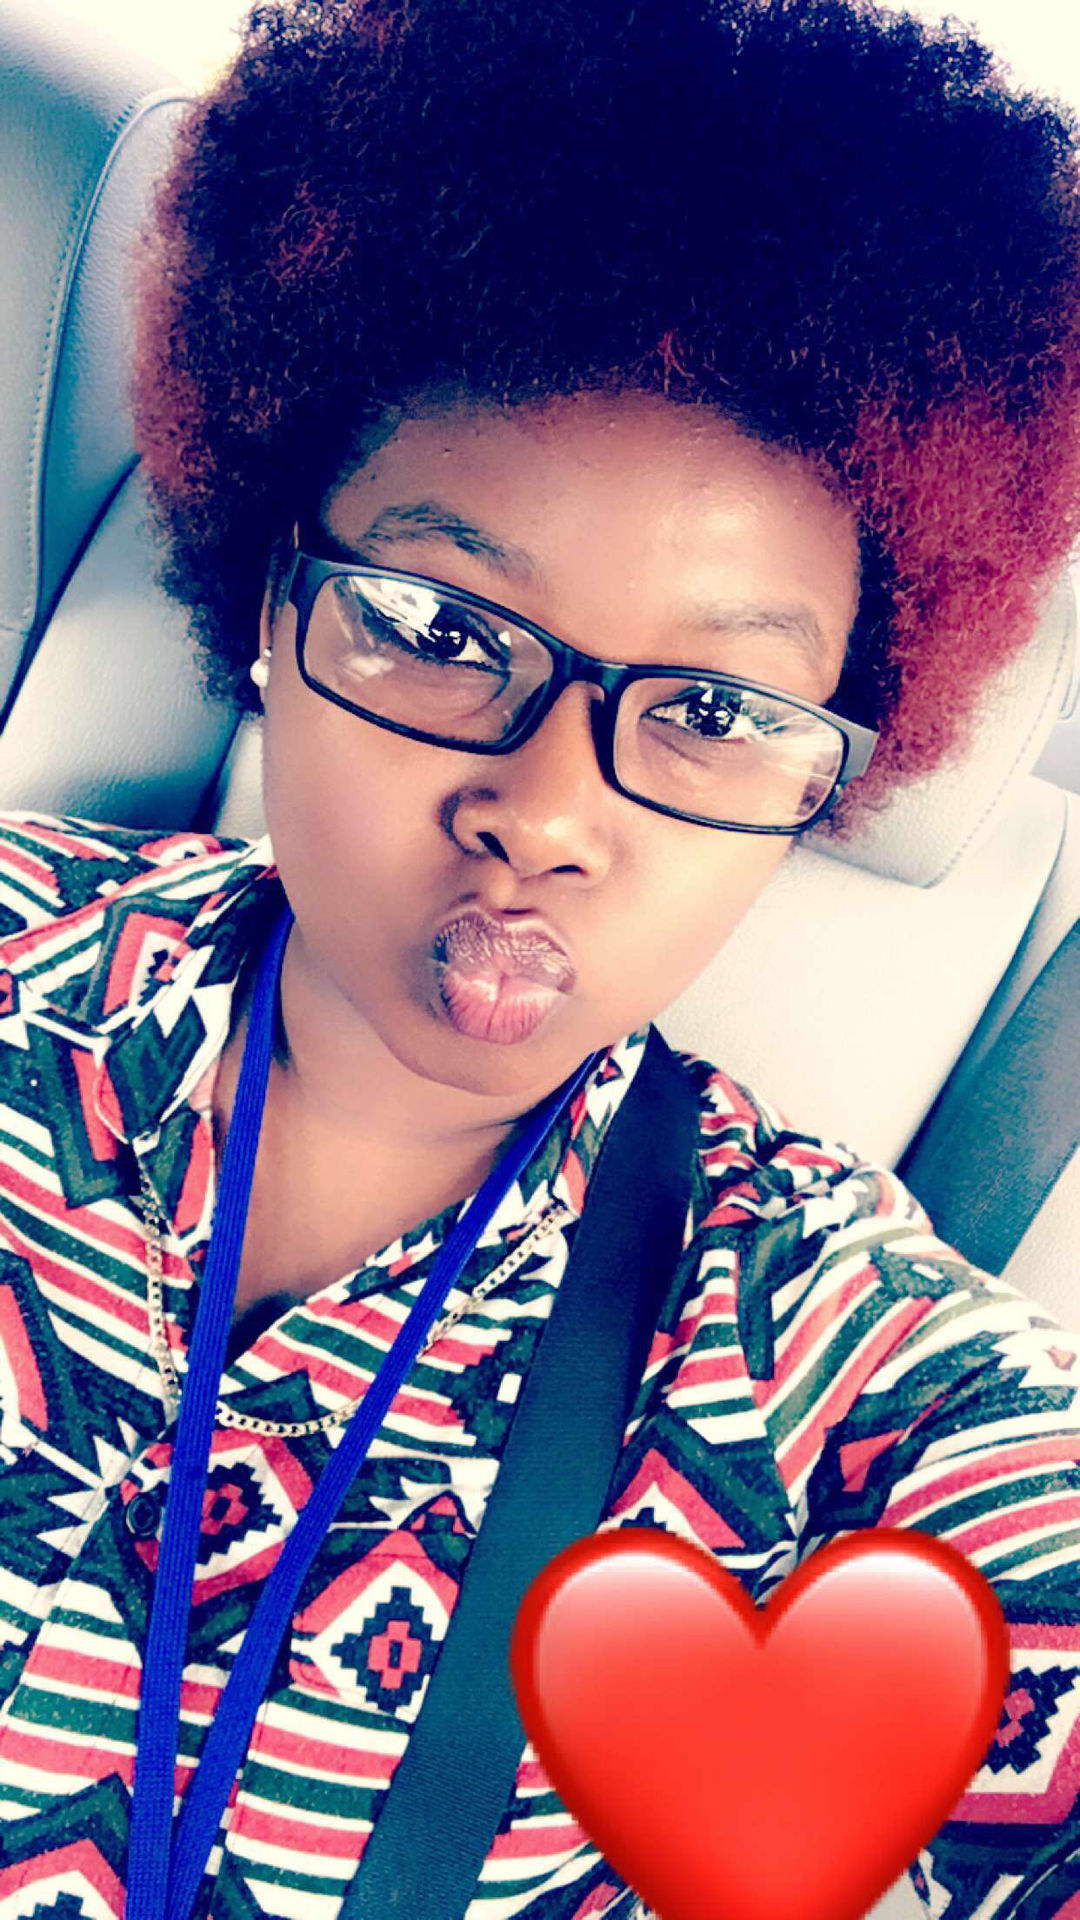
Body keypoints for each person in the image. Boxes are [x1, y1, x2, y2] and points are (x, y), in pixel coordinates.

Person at [0, 0, 1077, 1914]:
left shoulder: (830, 1367)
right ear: (272, 607)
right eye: (438, 624)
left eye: (718, 713)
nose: (550, 812)